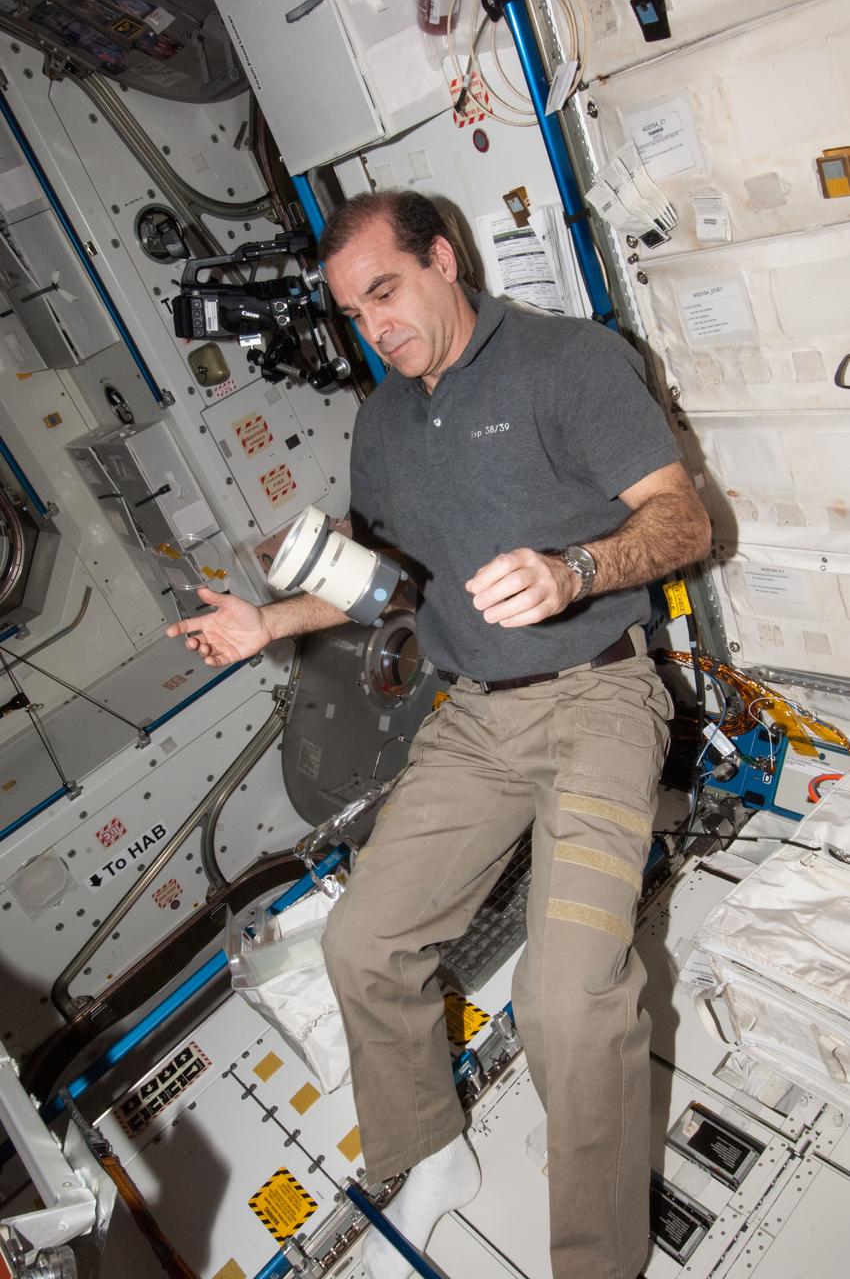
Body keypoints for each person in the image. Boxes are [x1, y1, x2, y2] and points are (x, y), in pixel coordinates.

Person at [167, 190, 711, 1279]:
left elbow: (686, 517)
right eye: (355, 314)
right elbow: (380, 582)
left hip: (599, 699)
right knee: (360, 944)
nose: (378, 328)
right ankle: (431, 1149)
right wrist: (266, 619)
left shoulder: (568, 361)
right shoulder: (384, 418)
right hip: (476, 720)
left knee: (566, 1004)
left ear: (445, 260)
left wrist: (575, 569)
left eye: (387, 292)